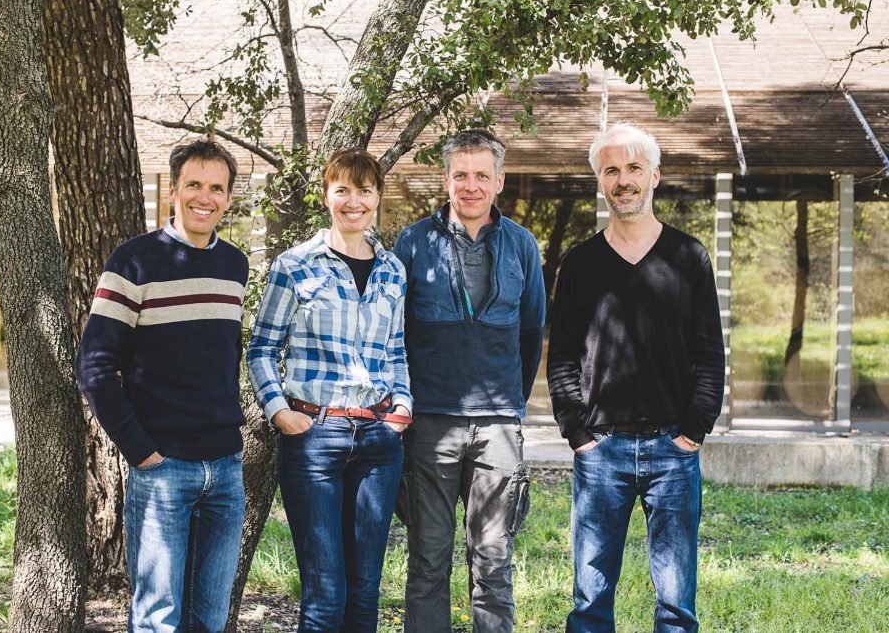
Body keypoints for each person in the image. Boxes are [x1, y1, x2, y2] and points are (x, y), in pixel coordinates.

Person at [547, 122, 725, 633]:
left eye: (632, 169)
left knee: (675, 604)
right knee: (589, 600)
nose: (622, 180)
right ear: (600, 182)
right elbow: (560, 357)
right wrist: (578, 435)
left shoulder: (688, 256)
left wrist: (695, 429)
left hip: (674, 448)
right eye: (611, 170)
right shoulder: (580, 264)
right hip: (601, 450)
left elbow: (710, 351)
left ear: (654, 176)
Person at [76, 139, 248, 633]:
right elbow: (93, 366)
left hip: (225, 468)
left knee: (210, 620)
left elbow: (220, 357)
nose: (205, 196)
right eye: (194, 184)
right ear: (172, 189)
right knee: (156, 620)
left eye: (217, 188)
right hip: (162, 469)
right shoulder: (133, 262)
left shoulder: (234, 266)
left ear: (229, 199)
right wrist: (142, 451)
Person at [247, 149, 412, 633]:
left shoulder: (393, 271)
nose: (353, 201)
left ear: (378, 197)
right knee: (324, 595)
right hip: (313, 437)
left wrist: (402, 404)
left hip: (379, 442)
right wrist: (280, 412)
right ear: (326, 196)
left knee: (365, 593)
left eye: (364, 190)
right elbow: (260, 349)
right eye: (343, 189)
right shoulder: (295, 266)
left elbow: (397, 350)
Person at [392, 129, 546, 633]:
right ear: (446, 179)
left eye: (482, 175)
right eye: (461, 175)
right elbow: (398, 333)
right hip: (431, 423)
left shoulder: (522, 245)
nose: (471, 185)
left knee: (494, 563)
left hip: (499, 423)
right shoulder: (413, 243)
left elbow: (531, 333)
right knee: (428, 563)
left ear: (499, 181)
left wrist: (508, 401)